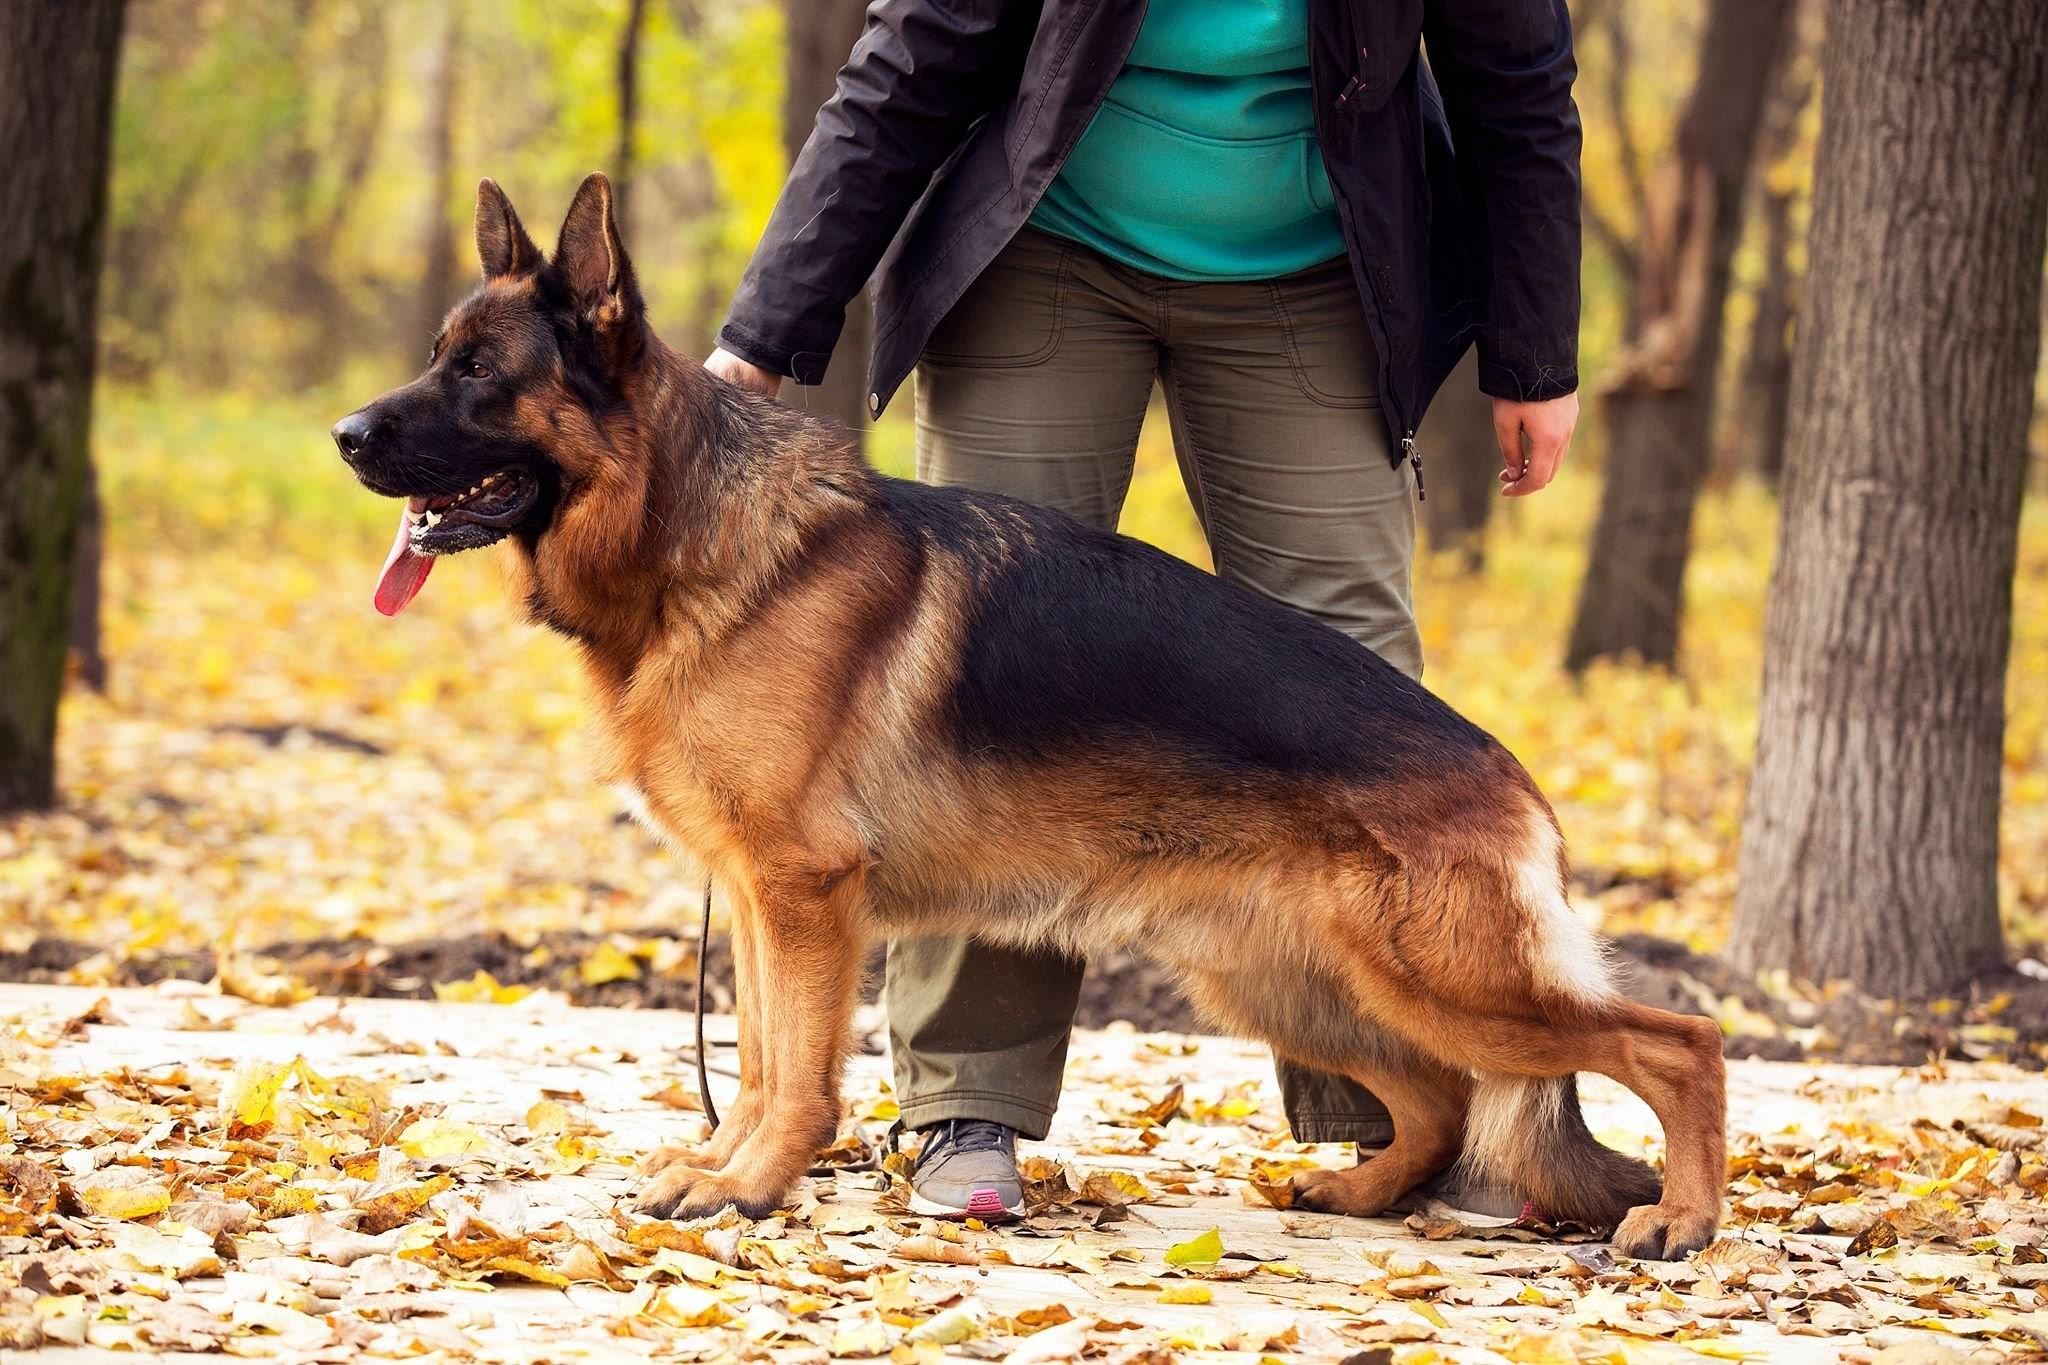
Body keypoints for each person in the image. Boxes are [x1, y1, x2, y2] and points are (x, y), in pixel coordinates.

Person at [706, 0, 1582, 1220]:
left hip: (1320, 270)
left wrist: (1533, 355)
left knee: (1351, 655)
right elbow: (907, 62)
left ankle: (1397, 1113)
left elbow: (1518, 89)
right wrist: (762, 333)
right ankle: (970, 1105)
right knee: (975, 676)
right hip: (1045, 250)